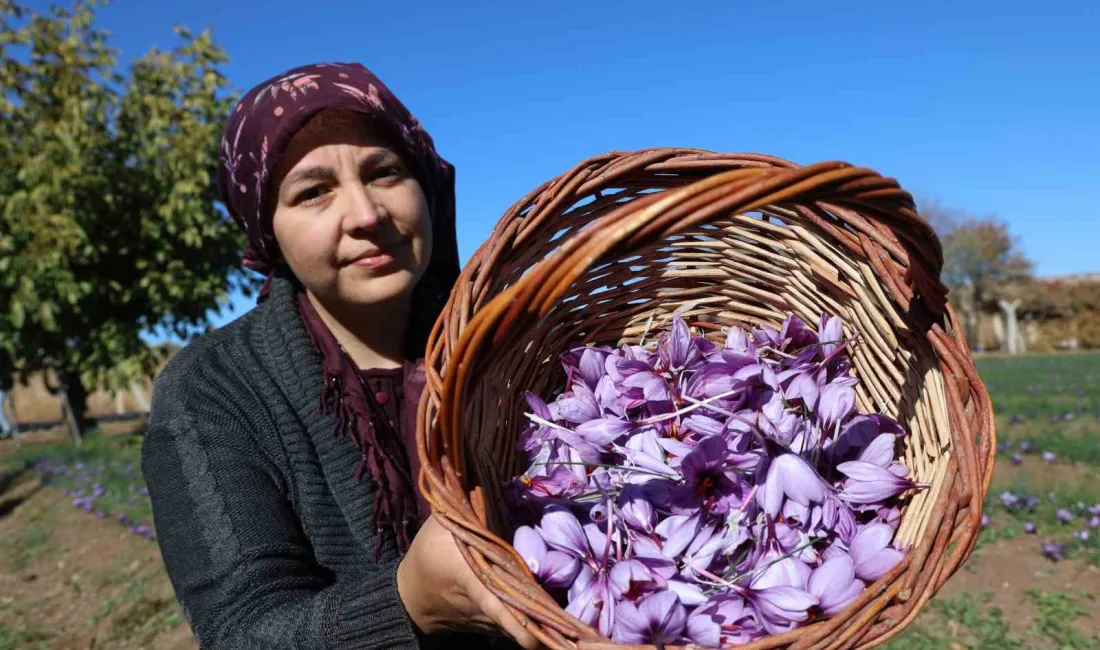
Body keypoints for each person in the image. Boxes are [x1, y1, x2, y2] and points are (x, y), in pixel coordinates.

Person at [142, 63, 539, 650]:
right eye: (313, 191)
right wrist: (410, 601)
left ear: (427, 188)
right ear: (267, 231)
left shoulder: (509, 345)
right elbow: (241, 631)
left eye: (384, 172)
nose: (366, 215)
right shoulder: (211, 390)